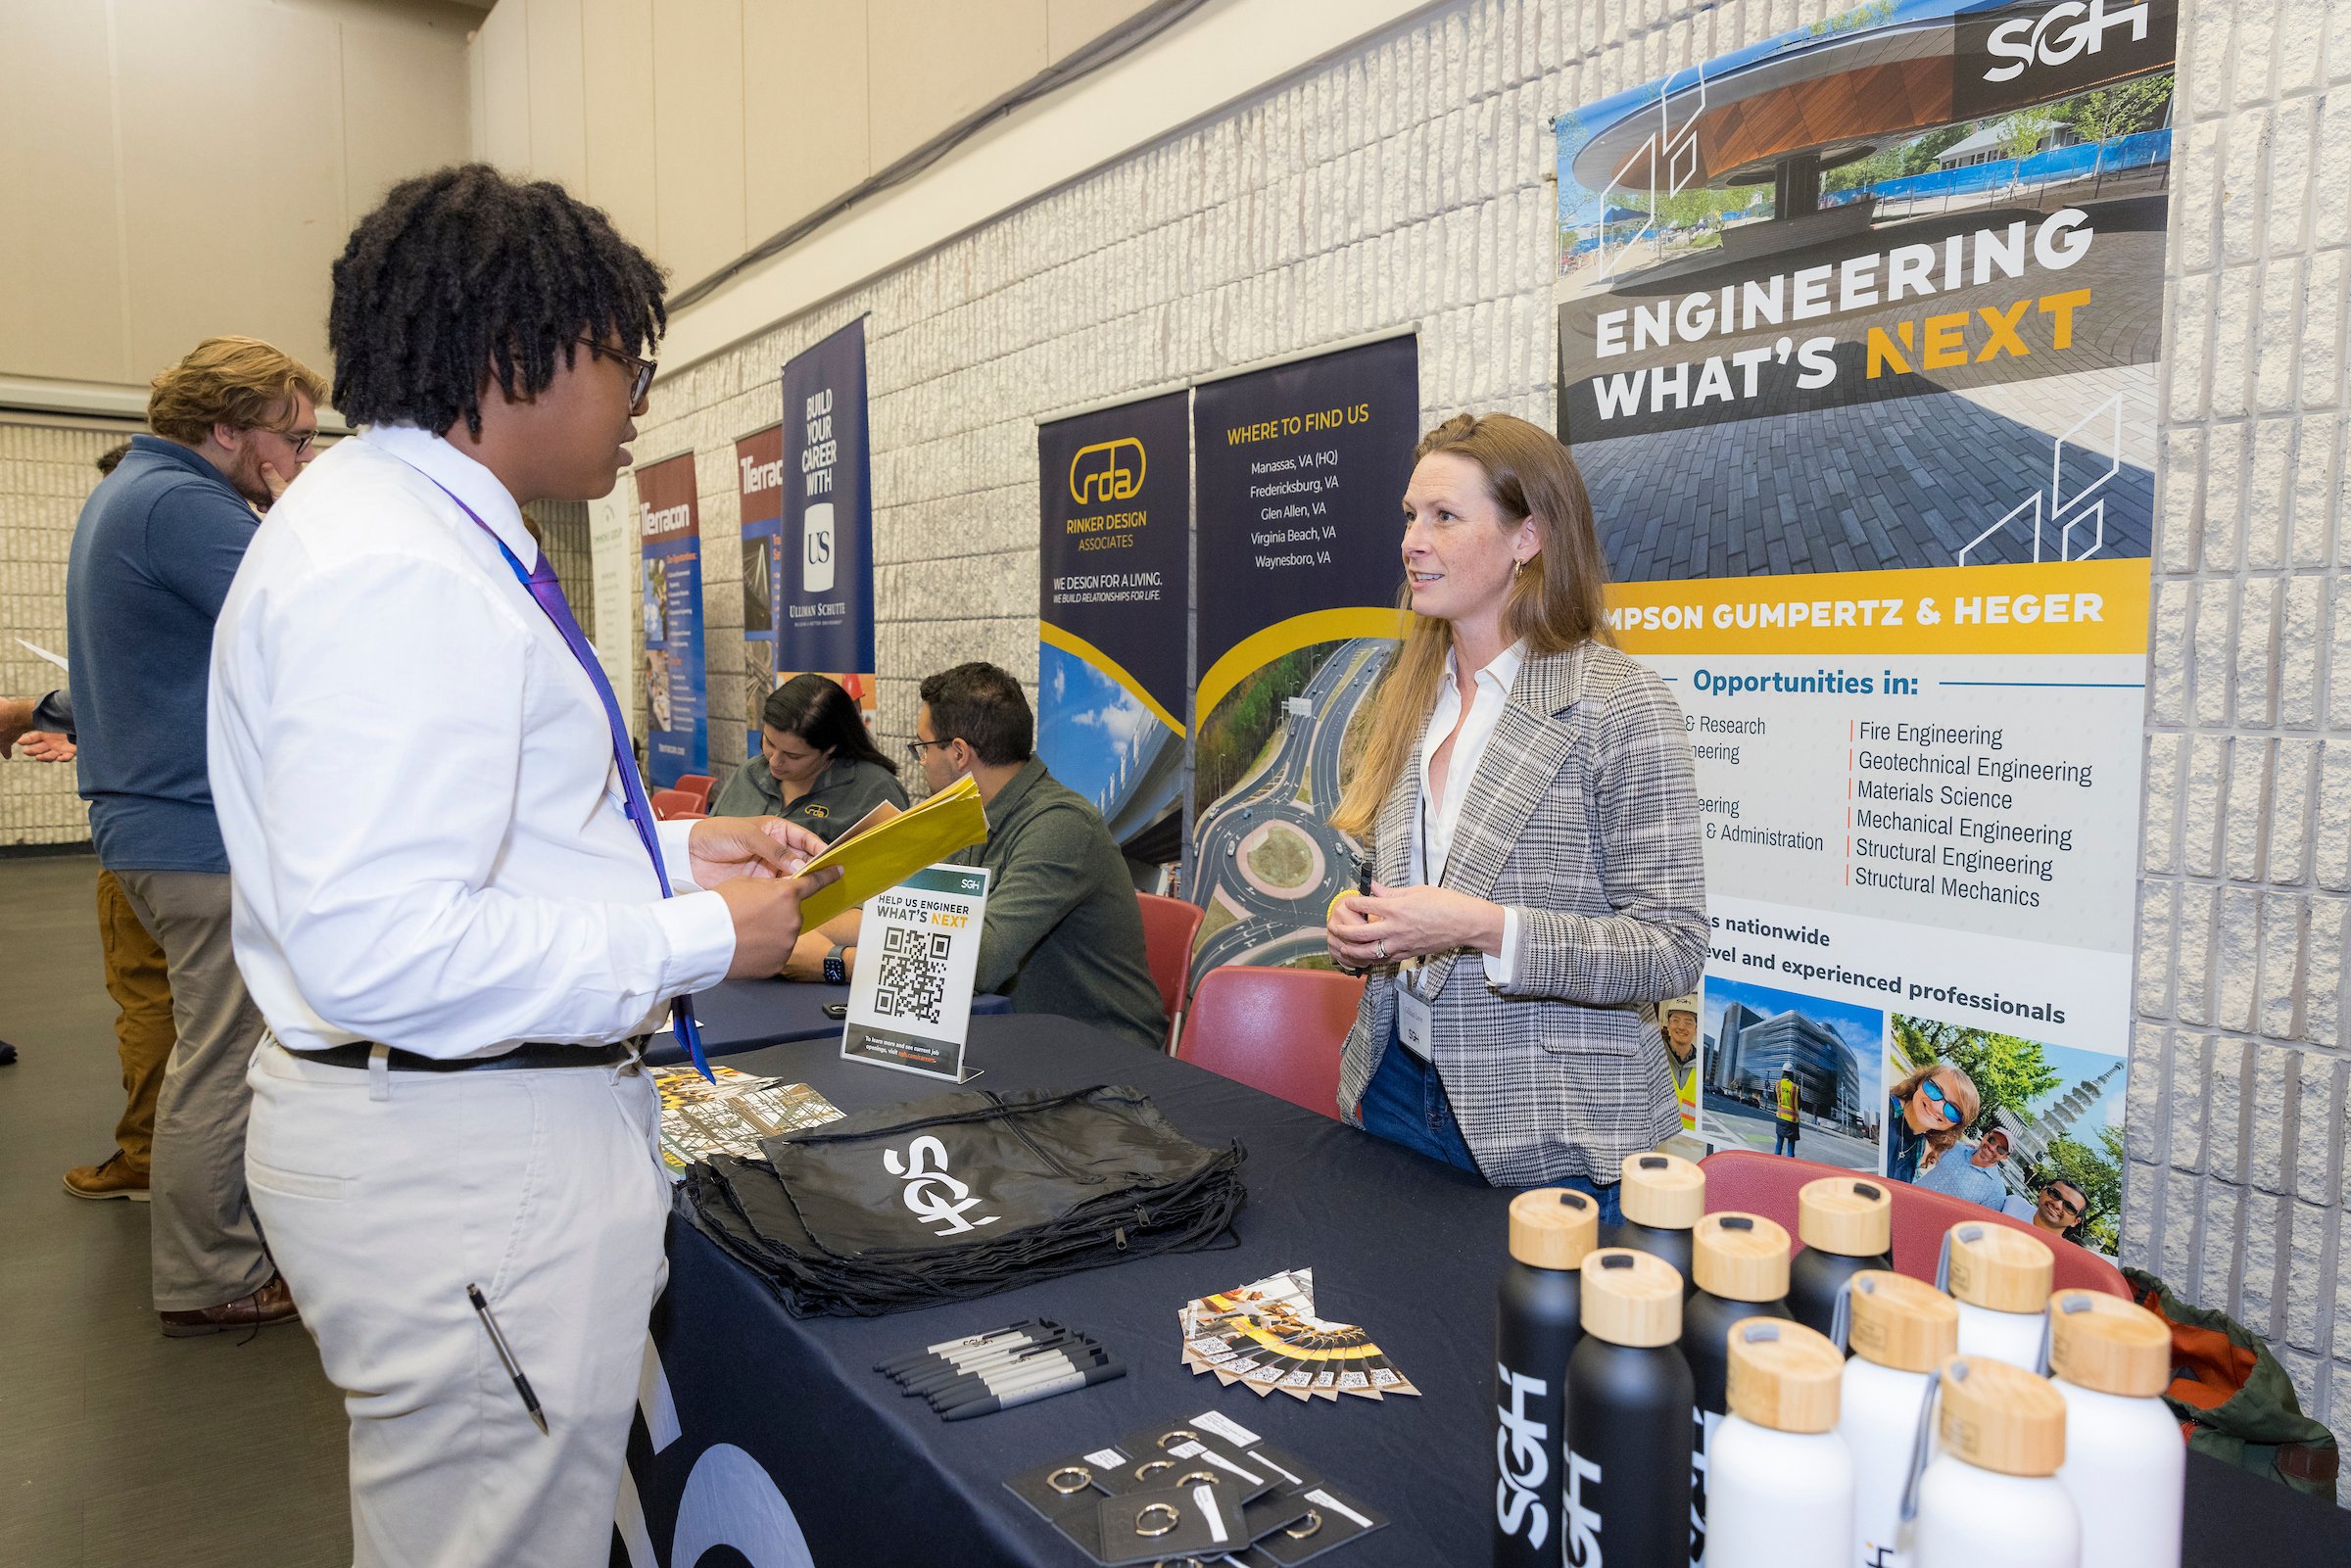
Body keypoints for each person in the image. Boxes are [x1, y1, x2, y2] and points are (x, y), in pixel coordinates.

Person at [209, 164, 835, 1568]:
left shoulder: (403, 531)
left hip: (456, 1137)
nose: (640, 400)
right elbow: (384, 944)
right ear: (516, 355)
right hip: (466, 1160)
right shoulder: (401, 571)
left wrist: (675, 849)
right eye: (627, 362)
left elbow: (482, 832)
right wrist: (697, 937)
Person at [1323, 412, 1705, 1217]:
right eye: (1410, 516)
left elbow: (1672, 947)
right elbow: (1405, 881)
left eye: (1444, 517)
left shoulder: (1621, 703)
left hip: (1550, 1128)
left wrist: (1485, 927)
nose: (1412, 541)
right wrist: (1361, 925)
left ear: (1527, 537)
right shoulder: (1407, 694)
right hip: (1393, 1089)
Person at [67, 335, 324, 1332]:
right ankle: (212, 1274)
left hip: (153, 823)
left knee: (211, 1046)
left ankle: (228, 1246)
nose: (301, 459)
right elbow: (314, 618)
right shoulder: (181, 503)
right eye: (291, 439)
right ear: (225, 427)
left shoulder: (131, 493)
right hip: (194, 832)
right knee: (223, 1057)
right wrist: (301, 511)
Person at [788, 662, 1166, 1050]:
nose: (922, 762)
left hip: (1101, 1054)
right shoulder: (970, 813)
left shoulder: (1062, 827)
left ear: (958, 753)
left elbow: (978, 961)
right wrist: (791, 927)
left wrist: (836, 962)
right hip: (1015, 1036)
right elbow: (901, 912)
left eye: (922, 748)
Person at [710, 671, 908, 836]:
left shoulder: (874, 791)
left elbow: (898, 864)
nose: (774, 761)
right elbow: (710, 838)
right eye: (769, 743)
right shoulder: (750, 773)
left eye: (793, 756)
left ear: (830, 748)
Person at [1886, 1061, 1980, 1184]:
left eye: (1953, 1110)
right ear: (1921, 1081)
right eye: (1935, 1090)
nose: (1937, 1107)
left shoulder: (1921, 1147)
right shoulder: (1884, 1110)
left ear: (1956, 1125)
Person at [1912, 1124, 2014, 1210]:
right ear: (1985, 1136)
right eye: (1991, 1140)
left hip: (1928, 1222)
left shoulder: (1996, 1192)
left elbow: (1978, 1224)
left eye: (2000, 1149)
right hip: (1909, 1196)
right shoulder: (1956, 1147)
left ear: (2005, 1157)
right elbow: (1928, 1159)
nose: (1992, 1147)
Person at [1661, 992, 1700, 1136]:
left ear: (1696, 1029)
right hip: (1659, 1142)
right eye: (1676, 1020)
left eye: (1688, 1022)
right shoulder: (1653, 1059)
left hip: (1691, 1143)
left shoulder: (1701, 1069)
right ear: (1668, 1024)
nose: (1681, 1027)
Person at [2025, 1176, 2090, 1242]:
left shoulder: (2057, 1248)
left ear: (2075, 1221)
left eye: (2069, 1207)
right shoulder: (2018, 1204)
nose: (2057, 1205)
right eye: (2055, 1194)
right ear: (2042, 1191)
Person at [1772, 1066, 1802, 1158]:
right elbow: (1800, 1103)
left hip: (1780, 1117)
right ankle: (1789, 1163)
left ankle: (1775, 1162)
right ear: (1792, 1074)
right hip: (1792, 1120)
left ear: (1783, 1072)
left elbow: (1774, 1099)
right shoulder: (1795, 1087)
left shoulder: (1778, 1084)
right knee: (1791, 1146)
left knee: (1779, 1143)